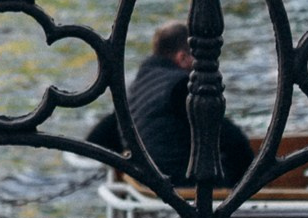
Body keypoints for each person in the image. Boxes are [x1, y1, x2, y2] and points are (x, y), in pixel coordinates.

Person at [88, 22, 254, 185]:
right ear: (182, 58)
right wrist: (255, 175)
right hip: (178, 182)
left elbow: (98, 137)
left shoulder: (139, 86)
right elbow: (230, 138)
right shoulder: (180, 86)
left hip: (144, 178)